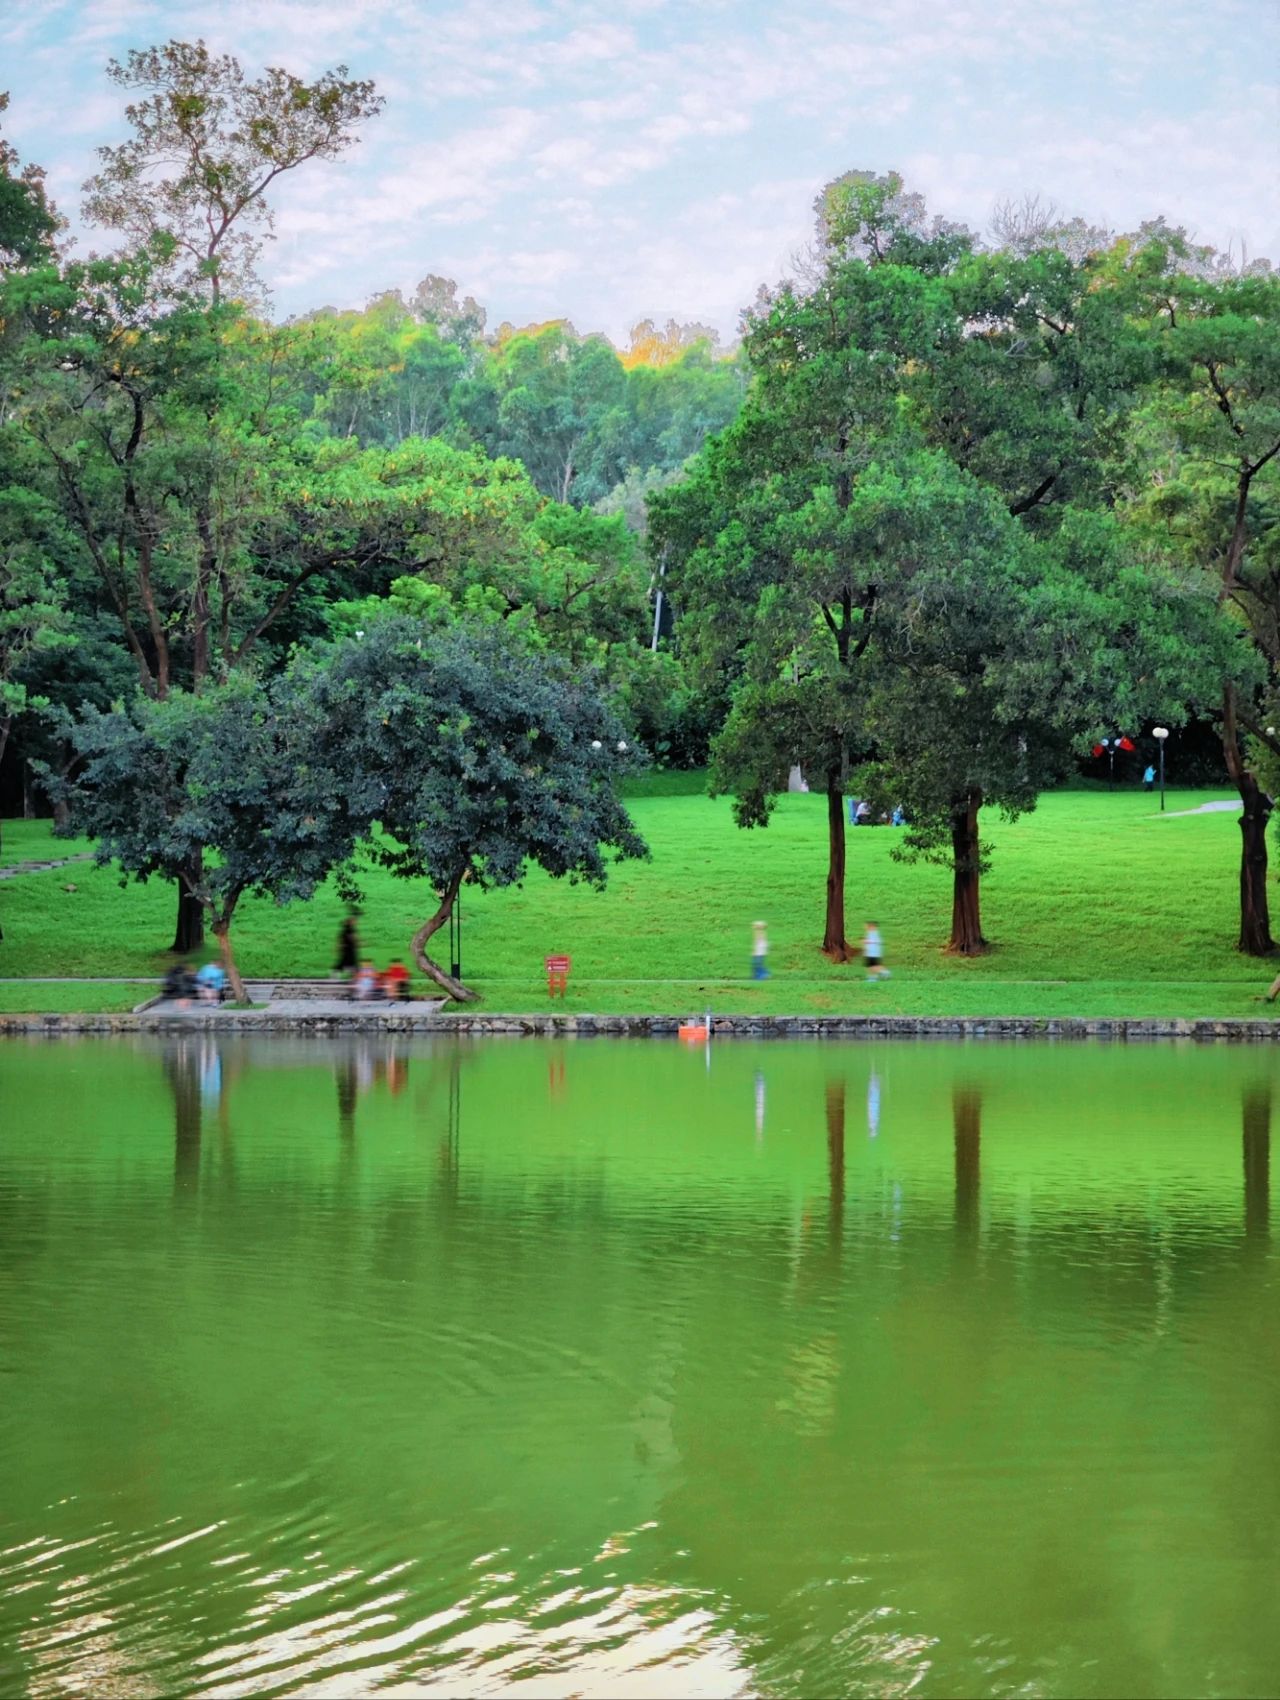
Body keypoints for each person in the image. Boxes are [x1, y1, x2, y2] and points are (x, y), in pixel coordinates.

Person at [334, 912, 361, 979]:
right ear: (350, 922)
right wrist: (358, 943)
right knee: (347, 962)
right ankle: (353, 977)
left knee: (347, 963)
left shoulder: (346, 929)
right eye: (354, 921)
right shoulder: (349, 929)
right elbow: (353, 938)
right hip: (349, 950)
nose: (356, 922)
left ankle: (352, 976)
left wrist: (338, 946)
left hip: (348, 949)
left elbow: (340, 939)